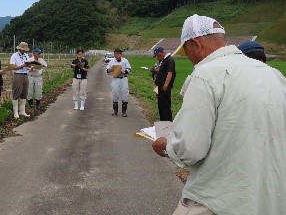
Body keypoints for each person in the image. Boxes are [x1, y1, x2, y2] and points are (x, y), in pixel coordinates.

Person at [152, 14, 286, 215]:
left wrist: (164, 146)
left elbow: (190, 149)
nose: (188, 58)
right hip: (269, 199)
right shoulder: (274, 75)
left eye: (186, 51)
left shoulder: (205, 75)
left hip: (218, 200)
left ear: (196, 44)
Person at [106, 47, 132, 117]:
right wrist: (111, 70)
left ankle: (124, 112)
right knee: (115, 93)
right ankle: (115, 111)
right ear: (114, 54)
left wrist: (124, 71)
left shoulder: (125, 61)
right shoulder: (112, 62)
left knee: (124, 93)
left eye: (120, 53)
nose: (119, 55)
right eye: (117, 53)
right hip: (115, 79)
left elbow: (129, 69)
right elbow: (107, 70)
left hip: (123, 78)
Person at [153, 46, 176, 121]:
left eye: (157, 55)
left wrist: (165, 85)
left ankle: (166, 125)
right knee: (161, 107)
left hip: (164, 88)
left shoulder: (169, 60)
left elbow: (170, 73)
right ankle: (162, 123)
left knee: (165, 108)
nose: (157, 57)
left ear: (161, 52)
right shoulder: (163, 61)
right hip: (159, 86)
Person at [10, 42, 31, 118]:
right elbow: (12, 66)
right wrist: (22, 66)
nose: (24, 51)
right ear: (20, 49)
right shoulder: (14, 56)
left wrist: (30, 66)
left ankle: (22, 111)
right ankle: (15, 112)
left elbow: (28, 64)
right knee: (16, 93)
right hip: (18, 75)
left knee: (24, 93)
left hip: (25, 74)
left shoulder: (26, 55)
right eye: (23, 49)